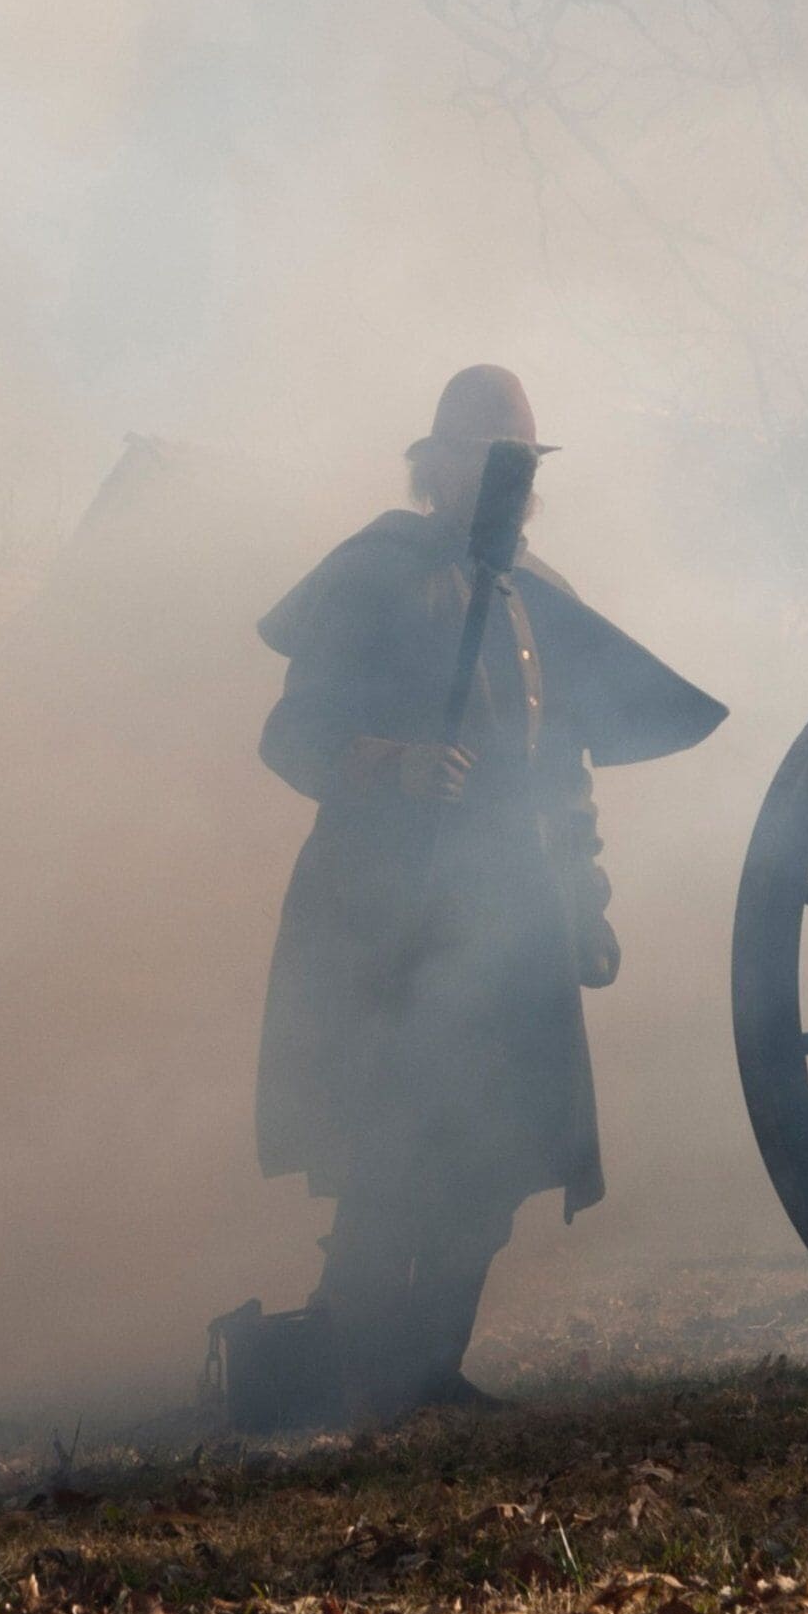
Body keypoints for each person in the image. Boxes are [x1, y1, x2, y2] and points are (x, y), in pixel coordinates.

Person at [253, 366, 727, 1419]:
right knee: (385, 1154)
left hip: (509, 919)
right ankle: (365, 1374)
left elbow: (564, 772)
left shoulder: (532, 593)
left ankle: (430, 1371)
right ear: (436, 464)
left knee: (497, 1153)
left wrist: (586, 900)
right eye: (485, 458)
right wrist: (395, 764)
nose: (505, 480)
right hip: (381, 912)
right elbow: (292, 734)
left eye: (521, 463)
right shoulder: (371, 573)